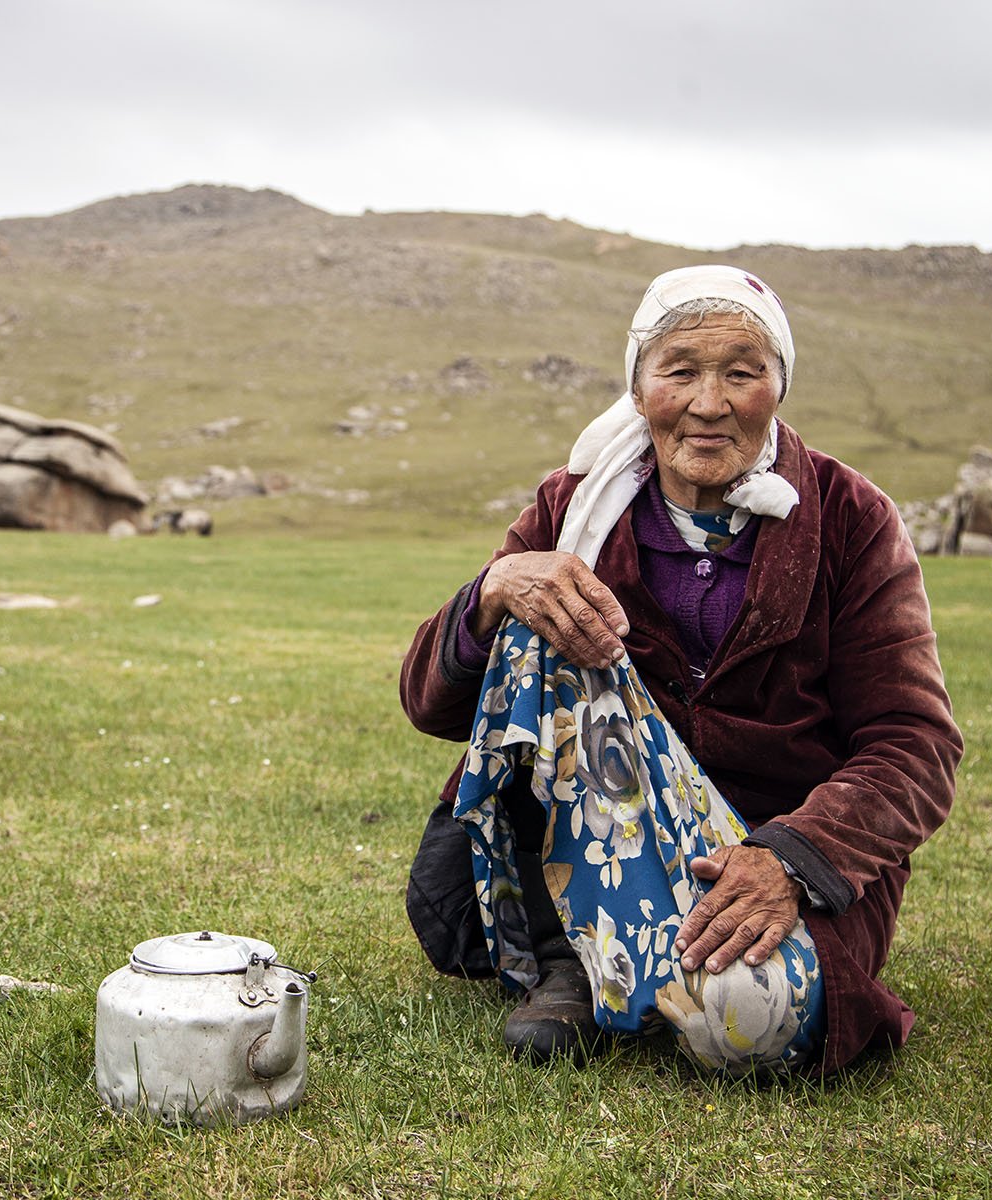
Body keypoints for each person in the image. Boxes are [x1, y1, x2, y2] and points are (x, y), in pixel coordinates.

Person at [399, 265, 962, 1077]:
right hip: (603, 835)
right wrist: (492, 591)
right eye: (681, 372)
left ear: (780, 386)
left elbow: (915, 743)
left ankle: (641, 967)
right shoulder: (574, 506)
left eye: (742, 372)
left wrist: (790, 859)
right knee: (534, 603)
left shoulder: (850, 516)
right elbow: (429, 702)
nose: (709, 403)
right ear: (638, 390)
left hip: (774, 850)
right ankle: (570, 956)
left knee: (743, 1023)